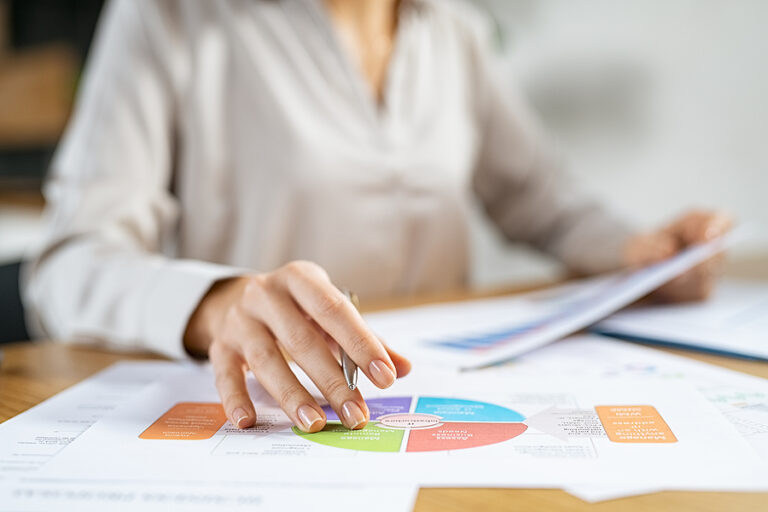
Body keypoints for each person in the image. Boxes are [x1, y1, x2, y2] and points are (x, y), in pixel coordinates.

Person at [23, 0, 730, 434]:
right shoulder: (169, 15)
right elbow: (69, 263)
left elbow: (536, 195)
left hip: (445, 399)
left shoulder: (454, 28)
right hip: (276, 412)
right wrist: (215, 304)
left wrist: (641, 254)